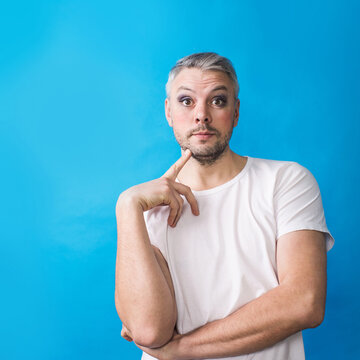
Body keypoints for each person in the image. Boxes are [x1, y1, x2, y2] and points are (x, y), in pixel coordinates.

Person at [115, 52, 335, 359]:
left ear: (235, 111)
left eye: (217, 100)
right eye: (186, 101)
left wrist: (182, 349)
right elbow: (149, 331)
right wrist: (126, 206)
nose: (201, 115)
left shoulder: (286, 182)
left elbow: (304, 302)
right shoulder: (146, 209)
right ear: (168, 111)